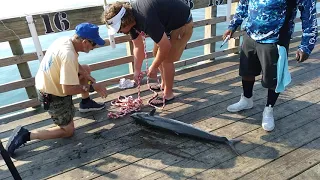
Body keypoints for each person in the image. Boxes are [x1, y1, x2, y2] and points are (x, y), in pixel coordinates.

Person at [6, 23, 108, 156]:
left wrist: (85, 75)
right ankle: (26, 135)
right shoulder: (69, 55)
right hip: (52, 94)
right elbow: (67, 89)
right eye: (94, 44)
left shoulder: (65, 41)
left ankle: (86, 103)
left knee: (85, 69)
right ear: (84, 42)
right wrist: (92, 87)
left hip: (50, 82)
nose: (94, 48)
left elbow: (73, 65)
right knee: (68, 131)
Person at [223, 0, 317, 131]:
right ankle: (246, 99)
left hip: (276, 39)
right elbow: (244, 3)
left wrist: (306, 46)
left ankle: (268, 109)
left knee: (273, 79)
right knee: (247, 72)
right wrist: (233, 25)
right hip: (250, 34)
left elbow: (309, 16)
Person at [102, 0, 193, 106]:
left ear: (125, 21)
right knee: (157, 54)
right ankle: (163, 85)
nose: (119, 32)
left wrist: (154, 67)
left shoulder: (145, 18)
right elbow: (137, 46)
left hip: (182, 24)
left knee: (167, 60)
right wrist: (137, 70)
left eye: (119, 29)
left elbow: (165, 46)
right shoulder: (131, 19)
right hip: (166, 23)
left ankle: (168, 94)